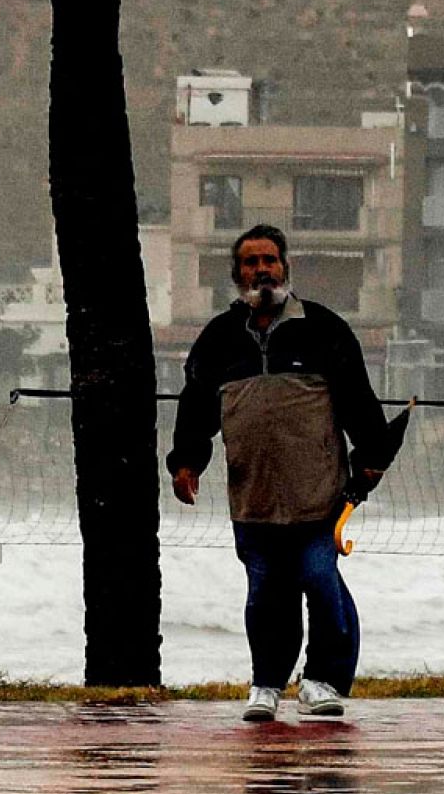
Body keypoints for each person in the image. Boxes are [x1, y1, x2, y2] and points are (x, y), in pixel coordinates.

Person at [167, 224, 394, 721]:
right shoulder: (218, 338)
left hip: (319, 497)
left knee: (318, 578)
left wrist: (372, 455)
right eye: (250, 262)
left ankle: (320, 680)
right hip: (254, 499)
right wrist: (186, 461)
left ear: (285, 267)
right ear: (237, 274)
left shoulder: (324, 328)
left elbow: (358, 398)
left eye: (269, 260)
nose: (261, 270)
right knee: (264, 598)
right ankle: (266, 685)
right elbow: (196, 406)